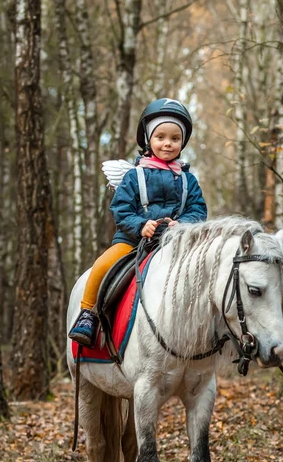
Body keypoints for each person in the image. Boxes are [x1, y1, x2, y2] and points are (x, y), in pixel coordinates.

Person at [69, 98, 207, 346]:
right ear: (148, 139)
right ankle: (88, 314)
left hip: (174, 243)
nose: (168, 143)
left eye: (175, 138)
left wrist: (183, 224)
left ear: (182, 143)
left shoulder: (189, 180)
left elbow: (198, 210)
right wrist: (141, 225)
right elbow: (121, 209)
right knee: (103, 264)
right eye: (161, 137)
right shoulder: (134, 176)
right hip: (133, 241)